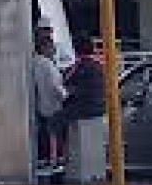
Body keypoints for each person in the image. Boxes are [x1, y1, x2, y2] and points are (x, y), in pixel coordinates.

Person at [34, 35, 68, 168]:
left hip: (42, 105)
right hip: (53, 105)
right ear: (44, 48)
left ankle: (46, 161)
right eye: (52, 47)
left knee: (45, 136)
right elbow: (55, 85)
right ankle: (56, 162)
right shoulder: (47, 64)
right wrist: (66, 95)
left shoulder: (36, 62)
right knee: (56, 136)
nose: (54, 50)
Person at [63, 36, 106, 125]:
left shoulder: (80, 64)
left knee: (55, 119)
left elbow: (66, 80)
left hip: (85, 108)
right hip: (101, 107)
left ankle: (57, 139)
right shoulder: (98, 64)